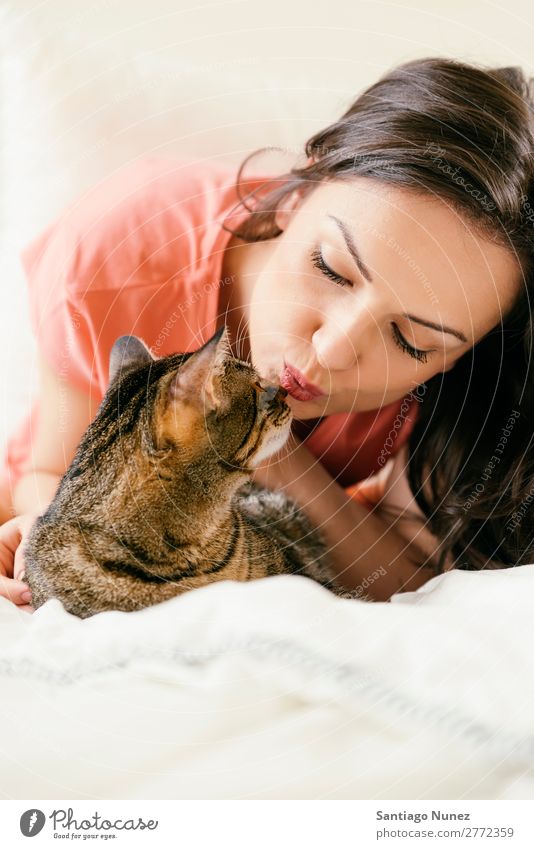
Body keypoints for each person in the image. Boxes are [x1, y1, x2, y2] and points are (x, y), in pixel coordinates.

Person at [1, 56, 533, 610]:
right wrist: (53, 537)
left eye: (411, 341)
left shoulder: (457, 400)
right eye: (331, 269)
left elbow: (406, 580)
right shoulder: (120, 258)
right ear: (299, 192)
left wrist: (263, 452)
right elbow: (47, 468)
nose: (330, 350)